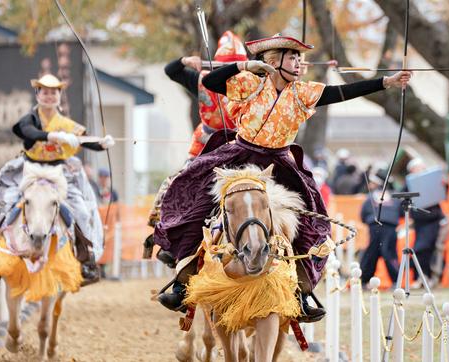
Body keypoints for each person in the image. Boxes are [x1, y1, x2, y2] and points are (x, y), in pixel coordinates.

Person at [154, 33, 412, 321]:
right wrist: (244, 67)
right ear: (274, 62)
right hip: (239, 155)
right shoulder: (251, 84)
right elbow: (211, 83)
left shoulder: (302, 92)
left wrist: (386, 82)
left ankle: (301, 291)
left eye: (299, 58)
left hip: (279, 162)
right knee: (195, 203)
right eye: (293, 58)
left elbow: (341, 92)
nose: (299, 63)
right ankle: (182, 283)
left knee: (310, 218)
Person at [0, 74, 115, 285]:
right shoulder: (31, 118)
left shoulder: (66, 124)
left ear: (59, 95)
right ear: (37, 94)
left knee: (82, 209)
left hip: (58, 174)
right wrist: (53, 136)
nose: (49, 96)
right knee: (2, 204)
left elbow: (85, 140)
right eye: (45, 92)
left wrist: (102, 143)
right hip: (29, 170)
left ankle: (86, 258)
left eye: (53, 92)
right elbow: (27, 131)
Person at [143, 31, 248, 271]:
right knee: (177, 183)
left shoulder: (253, 83)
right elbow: (171, 71)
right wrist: (184, 61)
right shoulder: (202, 79)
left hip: (240, 147)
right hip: (204, 145)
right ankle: (171, 241)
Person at [405, 157, 445, 285]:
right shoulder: (409, 184)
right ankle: (421, 276)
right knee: (420, 249)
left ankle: (429, 276)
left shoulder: (432, 180)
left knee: (431, 249)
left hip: (433, 219)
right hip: (420, 222)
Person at [359, 169, 400, 286]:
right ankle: (395, 280)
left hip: (379, 227)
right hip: (385, 228)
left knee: (377, 253)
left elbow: (363, 214)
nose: (371, 184)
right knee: (384, 253)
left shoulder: (371, 197)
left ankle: (365, 281)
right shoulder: (393, 197)